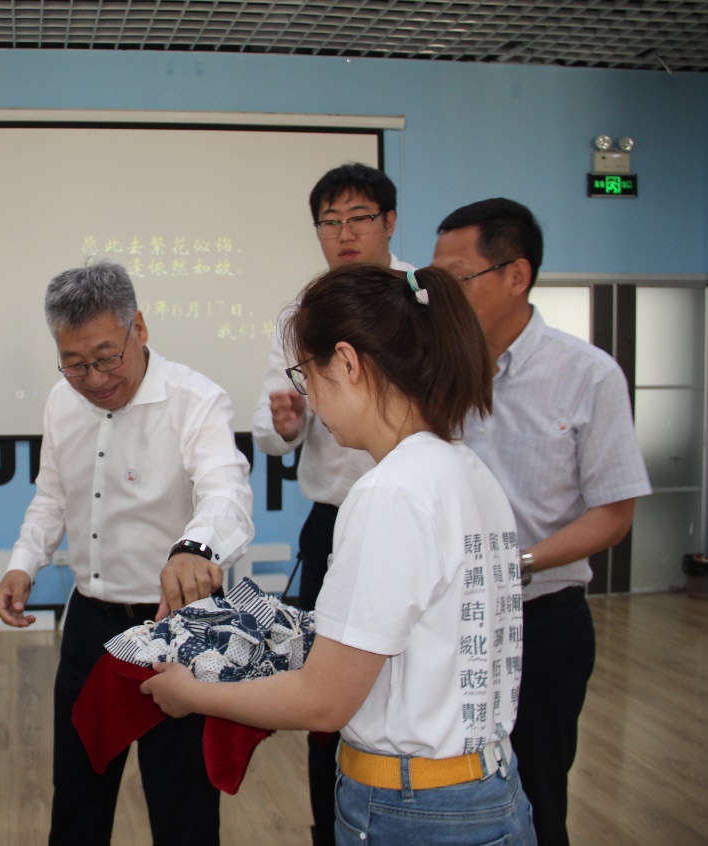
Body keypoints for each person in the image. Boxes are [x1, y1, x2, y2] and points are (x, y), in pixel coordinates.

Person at [143, 263, 536, 845]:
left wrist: (189, 694)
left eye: (307, 375)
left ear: (347, 362)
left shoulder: (389, 493)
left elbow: (323, 701)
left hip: (413, 811)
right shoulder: (466, 469)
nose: (311, 400)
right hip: (485, 787)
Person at [0, 261, 254, 846]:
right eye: (74, 363)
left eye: (106, 357)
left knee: (183, 809)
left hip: (176, 631)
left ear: (139, 328)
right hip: (91, 627)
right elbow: (51, 497)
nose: (93, 378)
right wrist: (23, 563)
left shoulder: (195, 400)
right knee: (78, 797)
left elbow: (226, 492)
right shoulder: (61, 402)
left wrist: (194, 549)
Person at [432, 199, 651, 846]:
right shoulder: (434, 369)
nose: (441, 296)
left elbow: (612, 514)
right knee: (449, 791)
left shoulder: (587, 375)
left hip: (541, 623)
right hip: (447, 621)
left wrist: (517, 563)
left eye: (457, 278)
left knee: (536, 795)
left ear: (515, 275)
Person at [250, 161, 415, 844]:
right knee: (326, 682)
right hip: (334, 523)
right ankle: (331, 822)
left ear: (389, 222)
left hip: (411, 518)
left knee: (406, 672)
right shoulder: (300, 316)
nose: (344, 234)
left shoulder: (421, 300)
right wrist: (286, 425)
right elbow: (271, 431)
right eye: (329, 222)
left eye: (359, 219)